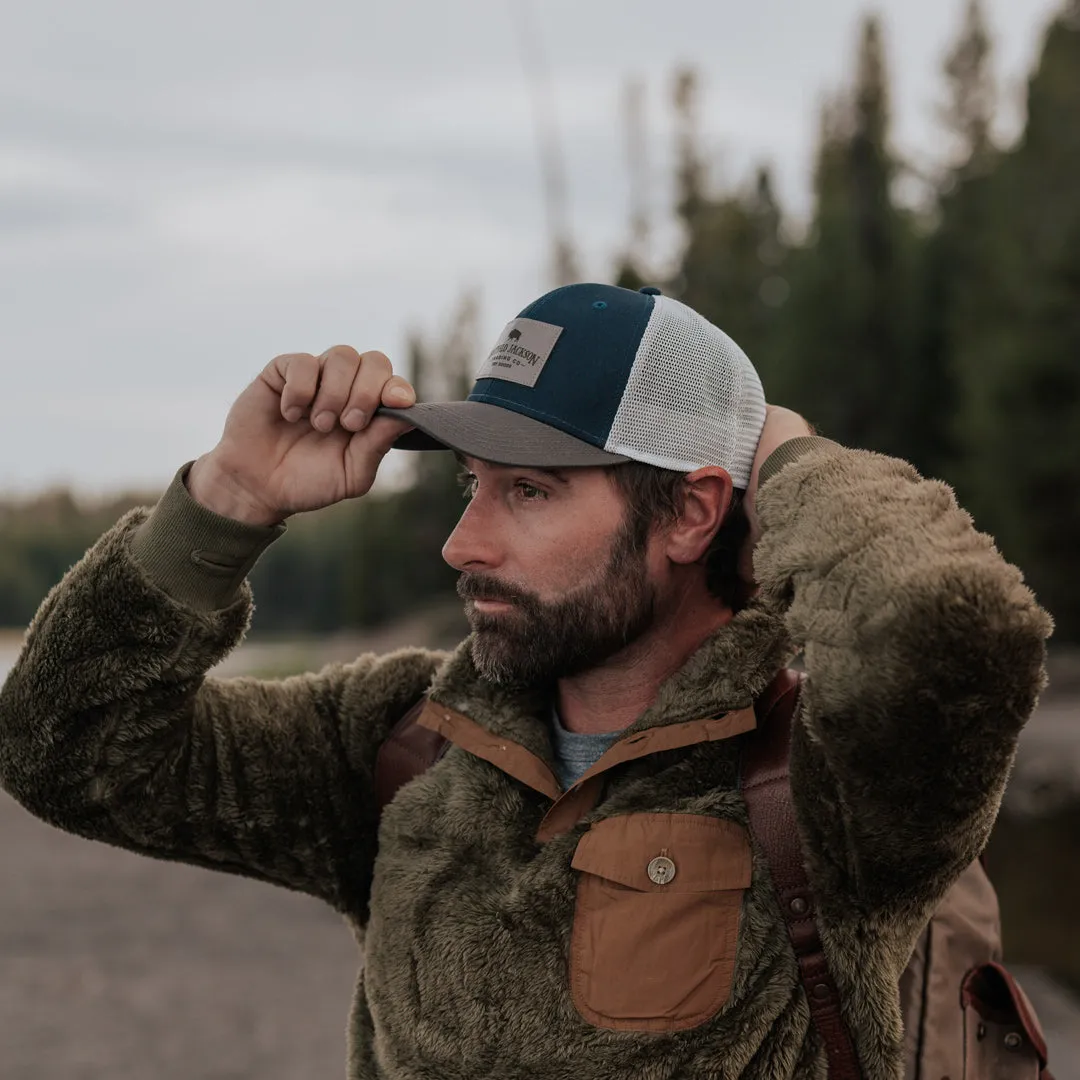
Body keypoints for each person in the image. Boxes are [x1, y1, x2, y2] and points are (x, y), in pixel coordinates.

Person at [0, 283, 1052, 1079]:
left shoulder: (839, 781)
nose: (464, 543)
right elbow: (64, 748)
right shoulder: (400, 742)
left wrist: (787, 457)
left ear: (691, 514)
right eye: (474, 485)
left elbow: (955, 631)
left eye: (532, 492)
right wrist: (226, 498)